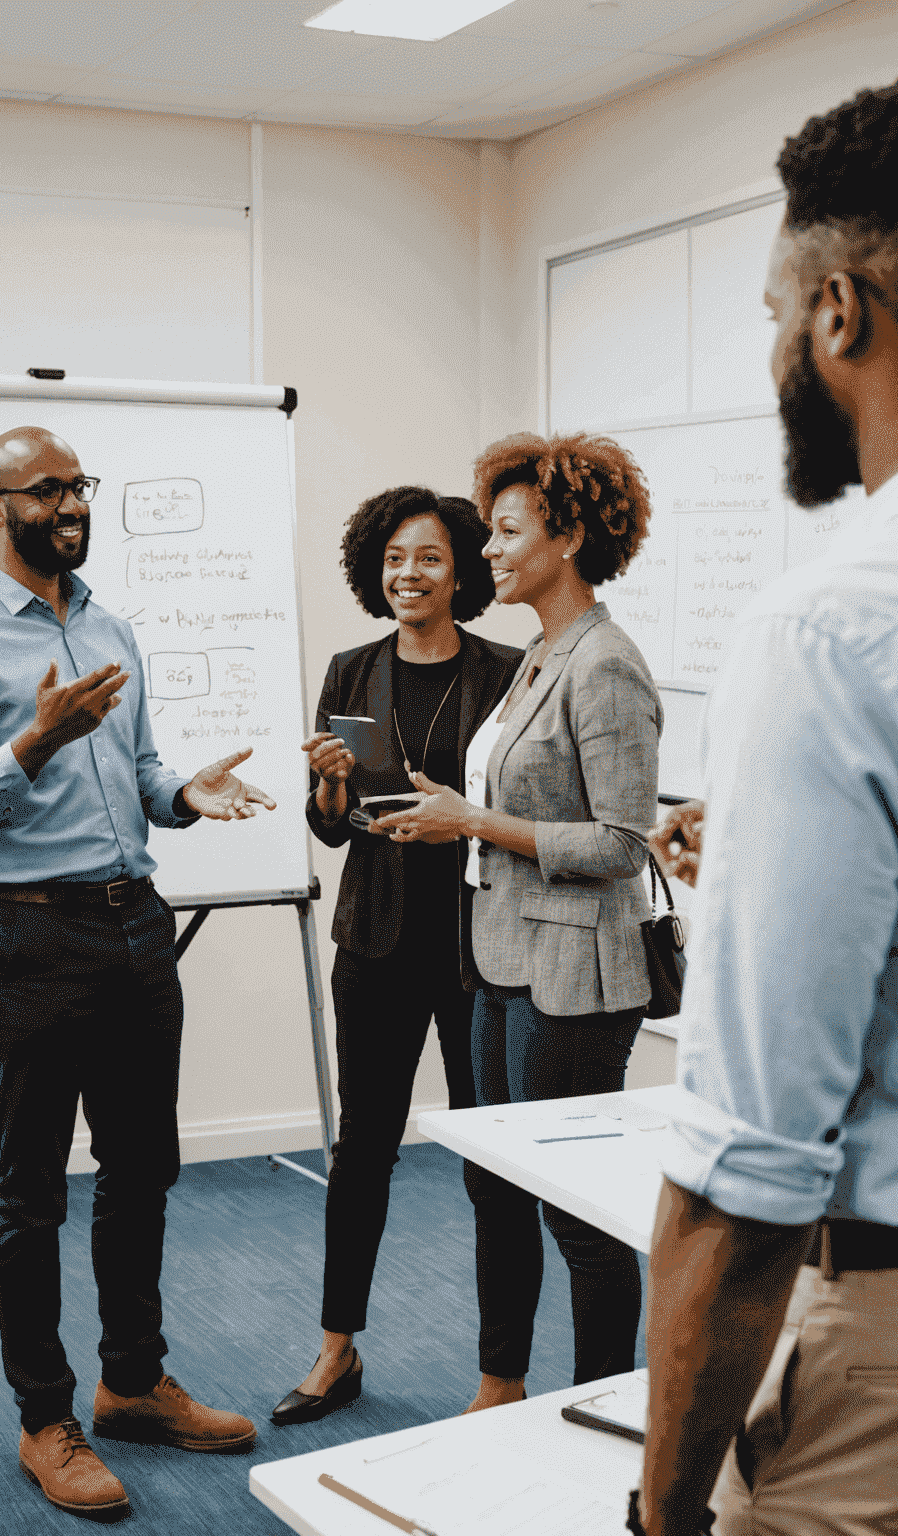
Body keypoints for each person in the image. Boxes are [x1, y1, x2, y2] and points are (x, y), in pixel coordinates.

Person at [635, 77, 898, 1536]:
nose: (773, 351)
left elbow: (744, 1175)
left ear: (839, 313)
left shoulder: (837, 628)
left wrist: (662, 1512)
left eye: (772, 313)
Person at [0, 424, 274, 1522]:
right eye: (45, 488)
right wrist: (34, 743)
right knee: (27, 1195)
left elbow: (144, 770)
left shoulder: (110, 623)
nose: (69, 502)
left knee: (144, 1169)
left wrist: (182, 794)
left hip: (132, 929)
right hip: (26, 937)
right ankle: (42, 1417)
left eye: (78, 485)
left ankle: (132, 1381)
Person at [375, 433, 660, 1406]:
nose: (485, 550)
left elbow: (623, 841)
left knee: (581, 1219)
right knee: (502, 1184)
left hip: (575, 978)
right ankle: (513, 1389)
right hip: (500, 964)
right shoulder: (542, 654)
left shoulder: (606, 664)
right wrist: (446, 814)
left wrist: (476, 821)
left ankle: (604, 1414)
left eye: (504, 531)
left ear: (569, 535)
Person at [272, 488, 520, 1426]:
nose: (407, 575)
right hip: (374, 941)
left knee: (488, 1159)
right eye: (393, 561)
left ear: (461, 571)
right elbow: (329, 830)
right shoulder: (350, 670)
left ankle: (502, 1374)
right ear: (374, 571)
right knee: (363, 1149)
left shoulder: (508, 672)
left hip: (476, 946)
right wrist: (332, 791)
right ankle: (337, 1350)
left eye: (427, 559)